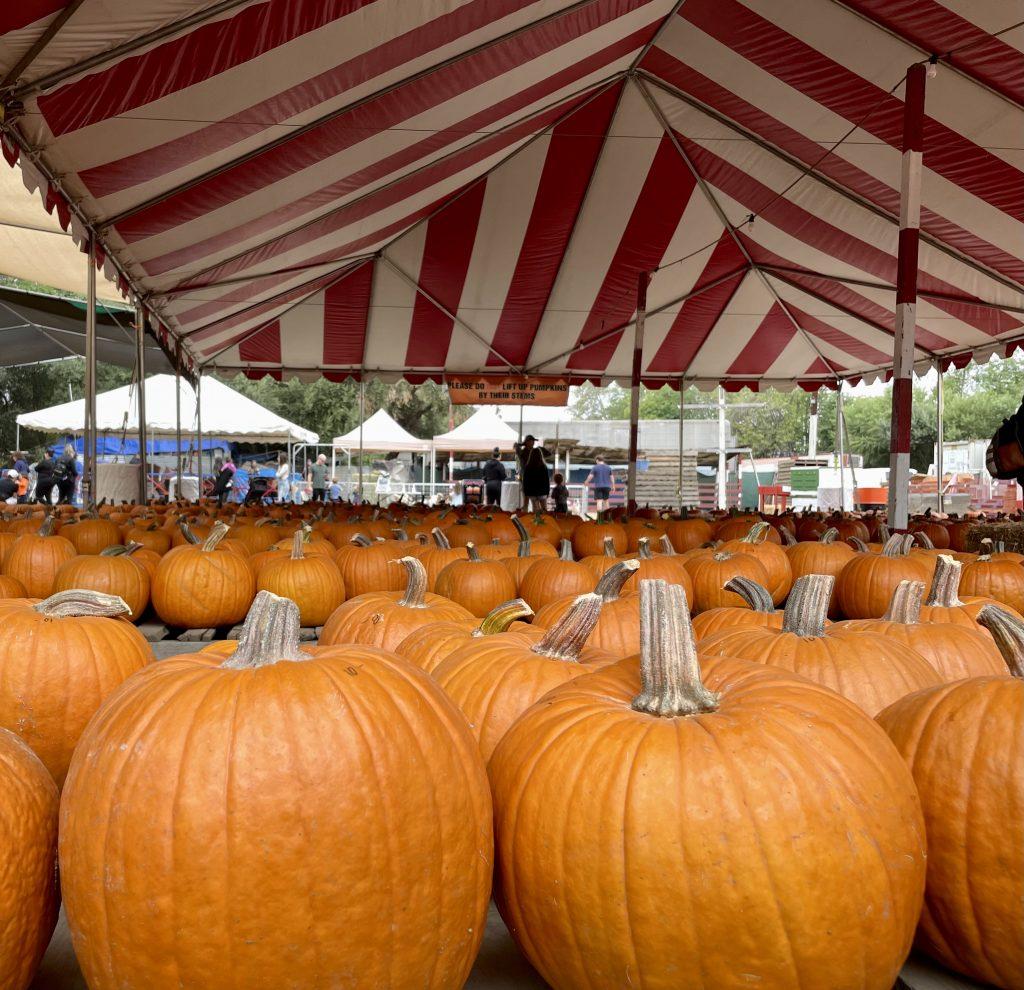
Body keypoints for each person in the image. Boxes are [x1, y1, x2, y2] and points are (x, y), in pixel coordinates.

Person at [514, 435, 551, 513]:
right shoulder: (523, 452)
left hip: (530, 478)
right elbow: (516, 447)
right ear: (527, 442)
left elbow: (548, 453)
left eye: (533, 441)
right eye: (531, 441)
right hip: (526, 477)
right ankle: (526, 514)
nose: (533, 442)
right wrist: (522, 444)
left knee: (534, 503)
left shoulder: (536, 451)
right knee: (526, 501)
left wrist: (540, 448)